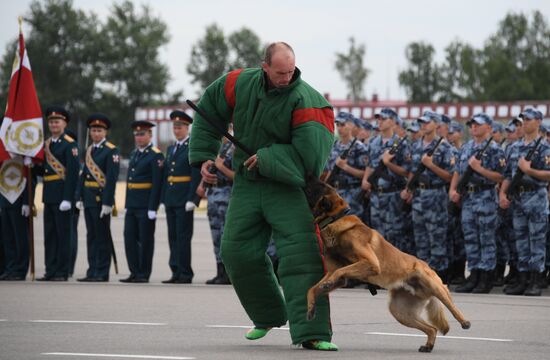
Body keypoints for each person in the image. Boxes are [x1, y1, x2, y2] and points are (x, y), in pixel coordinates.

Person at [189, 42, 337, 351]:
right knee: (235, 252)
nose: (286, 77)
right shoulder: (238, 83)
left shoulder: (309, 101)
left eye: (291, 71)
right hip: (247, 183)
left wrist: (269, 158)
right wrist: (205, 155)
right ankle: (268, 315)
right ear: (264, 66)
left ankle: (314, 333)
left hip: (287, 187)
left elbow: (312, 159)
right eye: (280, 72)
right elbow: (208, 110)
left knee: (302, 258)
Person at [450, 113, 506, 293]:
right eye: (472, 124)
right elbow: (458, 171)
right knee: (471, 239)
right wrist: (454, 190)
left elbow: (502, 176)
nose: (473, 127)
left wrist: (479, 169)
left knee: (486, 239)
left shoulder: (495, 149)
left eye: (478, 125)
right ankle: (473, 275)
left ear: (489, 127)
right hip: (469, 198)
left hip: (486, 196)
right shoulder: (466, 147)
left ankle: (486, 277)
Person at [499, 108, 550, 296]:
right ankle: (523, 279)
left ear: (538, 121)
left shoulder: (545, 147)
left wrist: (529, 171)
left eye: (528, 119)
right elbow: (507, 175)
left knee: (536, 240)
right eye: (523, 120)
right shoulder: (514, 147)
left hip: (536, 197)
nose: (525, 122)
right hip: (518, 199)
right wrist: (503, 194)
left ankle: (536, 280)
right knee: (520, 240)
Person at [401, 111, 454, 281]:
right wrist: (408, 188)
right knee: (421, 237)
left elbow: (450, 176)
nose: (423, 125)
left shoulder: (445, 147)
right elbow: (412, 172)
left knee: (437, 237)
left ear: (437, 125)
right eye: (421, 122)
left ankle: (439, 277)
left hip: (436, 195)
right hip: (419, 196)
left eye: (427, 122)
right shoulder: (416, 145)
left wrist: (431, 165)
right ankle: (423, 276)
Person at [75, 114, 119, 282]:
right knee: (91, 236)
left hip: (101, 201)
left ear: (105, 132)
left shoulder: (111, 150)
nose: (96, 133)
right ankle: (92, 270)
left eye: (99, 130)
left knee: (102, 237)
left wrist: (108, 202)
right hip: (88, 199)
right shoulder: (89, 150)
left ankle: (102, 272)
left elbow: (112, 179)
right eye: (93, 130)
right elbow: (83, 175)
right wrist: (78, 196)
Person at [37, 106, 79, 281]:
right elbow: (44, 172)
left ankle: (62, 271)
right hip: (49, 196)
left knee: (63, 236)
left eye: (57, 121)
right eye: (51, 122)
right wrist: (33, 164)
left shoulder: (70, 144)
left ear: (64, 123)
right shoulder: (46, 144)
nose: (54, 124)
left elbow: (72, 174)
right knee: (50, 236)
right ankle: (51, 269)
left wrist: (68, 198)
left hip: (63, 197)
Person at [362, 108, 411, 253]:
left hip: (393, 196)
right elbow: (370, 165)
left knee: (394, 236)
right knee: (377, 235)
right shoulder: (373, 142)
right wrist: (365, 180)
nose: (380, 121)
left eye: (383, 119)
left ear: (393, 121)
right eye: (378, 119)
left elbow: (407, 171)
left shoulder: (400, 143)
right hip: (376, 196)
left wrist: (388, 163)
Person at [121, 120, 164, 283]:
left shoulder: (155, 155)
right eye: (136, 134)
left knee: (145, 240)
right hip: (132, 204)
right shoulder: (134, 154)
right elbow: (130, 181)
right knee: (129, 238)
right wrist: (127, 204)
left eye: (142, 134)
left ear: (150, 135)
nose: (139, 137)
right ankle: (134, 271)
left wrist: (153, 207)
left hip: (146, 205)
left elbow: (157, 182)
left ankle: (143, 273)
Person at [161, 110, 201, 284]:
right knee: (172, 237)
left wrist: (193, 199)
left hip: (184, 199)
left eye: (180, 127)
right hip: (171, 198)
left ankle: (185, 272)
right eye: (175, 127)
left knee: (183, 237)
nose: (177, 130)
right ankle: (175, 271)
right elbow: (166, 176)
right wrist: (163, 199)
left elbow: (195, 174)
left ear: (187, 128)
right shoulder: (171, 148)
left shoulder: (192, 146)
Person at [204, 136, 234, 285]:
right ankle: (220, 271)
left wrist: (221, 167)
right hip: (213, 194)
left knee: (224, 236)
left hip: (227, 195)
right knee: (215, 235)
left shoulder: (234, 148)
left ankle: (228, 273)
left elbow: (239, 176)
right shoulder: (215, 147)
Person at [325, 112, 368, 216]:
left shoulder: (359, 147)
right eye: (338, 125)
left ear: (351, 125)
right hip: (335, 193)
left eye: (343, 125)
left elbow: (365, 174)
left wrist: (345, 167)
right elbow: (330, 170)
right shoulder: (334, 146)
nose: (339, 128)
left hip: (352, 194)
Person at [0, 159, 34, 281]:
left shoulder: (23, 155)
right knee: (7, 238)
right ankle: (10, 268)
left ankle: (20, 269)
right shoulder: (4, 155)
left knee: (20, 238)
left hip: (19, 202)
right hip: (4, 199)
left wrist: (27, 201)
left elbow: (31, 179)